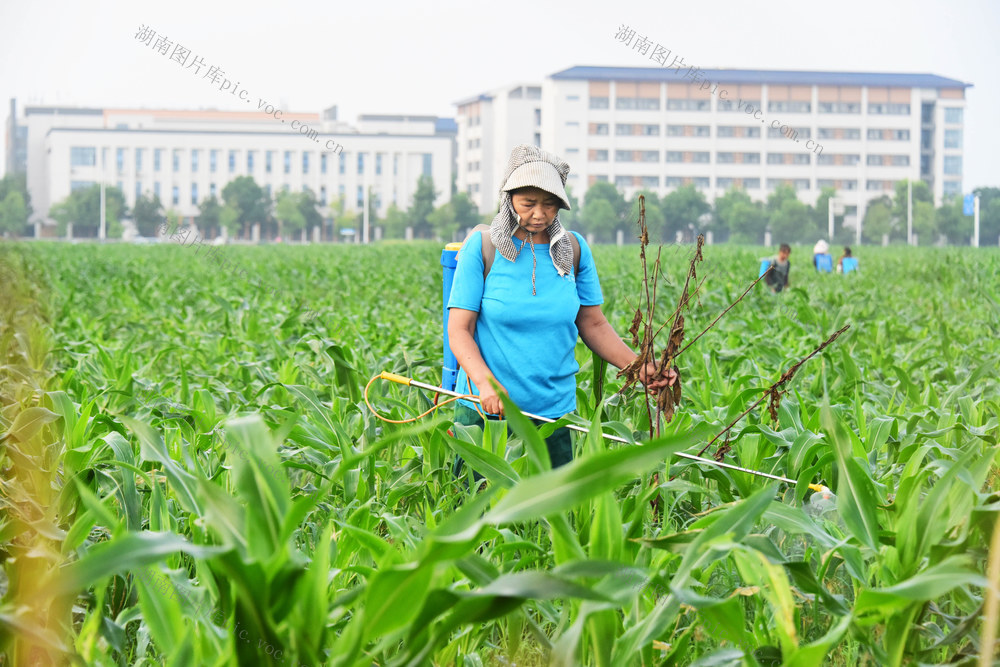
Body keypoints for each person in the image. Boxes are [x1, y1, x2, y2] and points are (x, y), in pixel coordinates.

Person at [447, 144, 673, 473]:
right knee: (481, 513)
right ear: (509, 198)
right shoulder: (482, 248)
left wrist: (639, 367)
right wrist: (485, 383)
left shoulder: (573, 250)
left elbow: (593, 324)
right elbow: (459, 329)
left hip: (552, 413)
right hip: (488, 411)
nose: (539, 214)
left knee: (551, 517)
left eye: (550, 205)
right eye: (529, 204)